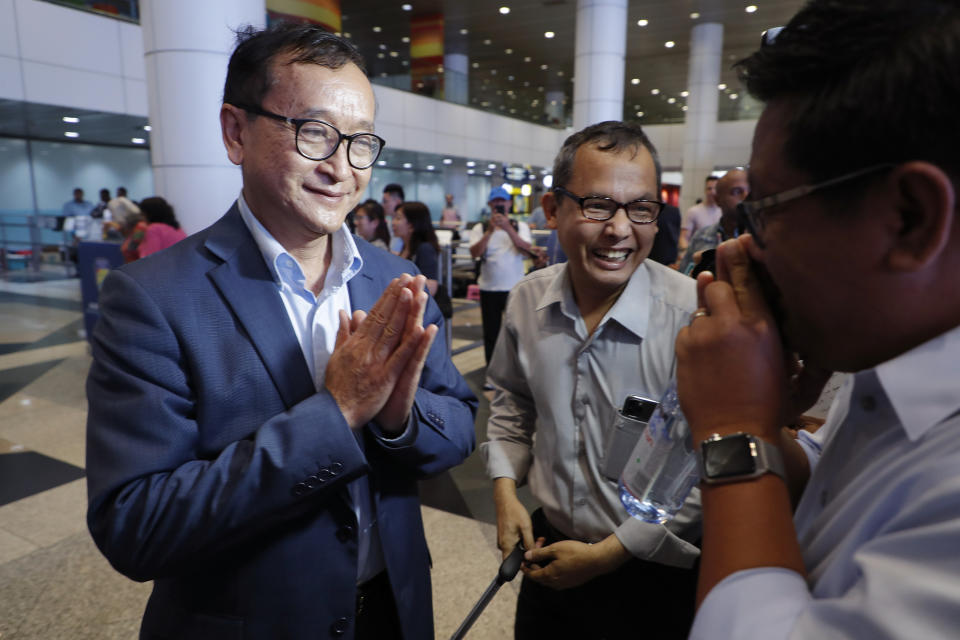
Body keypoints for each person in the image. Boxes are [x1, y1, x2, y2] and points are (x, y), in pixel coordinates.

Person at [85, 23, 476, 640]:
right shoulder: (153, 299)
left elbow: (459, 424)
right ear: (236, 132)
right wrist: (338, 410)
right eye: (315, 132)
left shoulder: (395, 279)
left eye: (361, 142)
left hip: (394, 608)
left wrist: (398, 421)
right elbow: (137, 525)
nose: (342, 167)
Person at [679, 2, 960, 638]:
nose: (744, 248)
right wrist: (764, 422)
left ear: (909, 217)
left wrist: (732, 430)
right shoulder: (892, 355)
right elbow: (845, 486)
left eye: (768, 211)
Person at [482, 121, 702, 640]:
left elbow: (709, 462)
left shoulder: (694, 316)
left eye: (641, 209)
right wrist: (505, 491)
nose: (620, 229)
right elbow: (512, 404)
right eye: (598, 205)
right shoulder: (527, 302)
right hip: (549, 557)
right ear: (553, 210)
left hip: (652, 579)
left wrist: (608, 555)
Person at [468, 186, 534, 364]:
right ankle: (491, 373)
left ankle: (517, 373)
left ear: (509, 203)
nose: (499, 204)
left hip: (515, 288)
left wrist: (508, 229)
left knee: (517, 331)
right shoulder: (480, 228)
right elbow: (474, 253)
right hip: (488, 288)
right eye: (495, 201)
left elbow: (527, 251)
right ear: (490, 204)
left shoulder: (520, 226)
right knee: (491, 333)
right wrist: (490, 231)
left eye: (502, 201)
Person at [677, 169, 748, 275]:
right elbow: (683, 275)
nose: (745, 197)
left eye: (750, 192)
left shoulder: (762, 239)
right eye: (737, 192)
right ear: (718, 199)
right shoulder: (701, 235)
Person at [120, 196, 187, 260]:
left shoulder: (150, 228)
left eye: (142, 214)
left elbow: (149, 258)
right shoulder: (178, 229)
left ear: (148, 214)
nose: (142, 218)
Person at [679, 175, 719, 251]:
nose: (712, 192)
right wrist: (688, 254)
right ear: (705, 190)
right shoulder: (693, 211)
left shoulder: (724, 211)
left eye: (715, 188)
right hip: (698, 257)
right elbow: (683, 238)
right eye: (709, 188)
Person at [382, 183, 405, 252]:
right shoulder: (389, 222)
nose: (383, 205)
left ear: (398, 202)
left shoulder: (406, 223)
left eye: (385, 201)